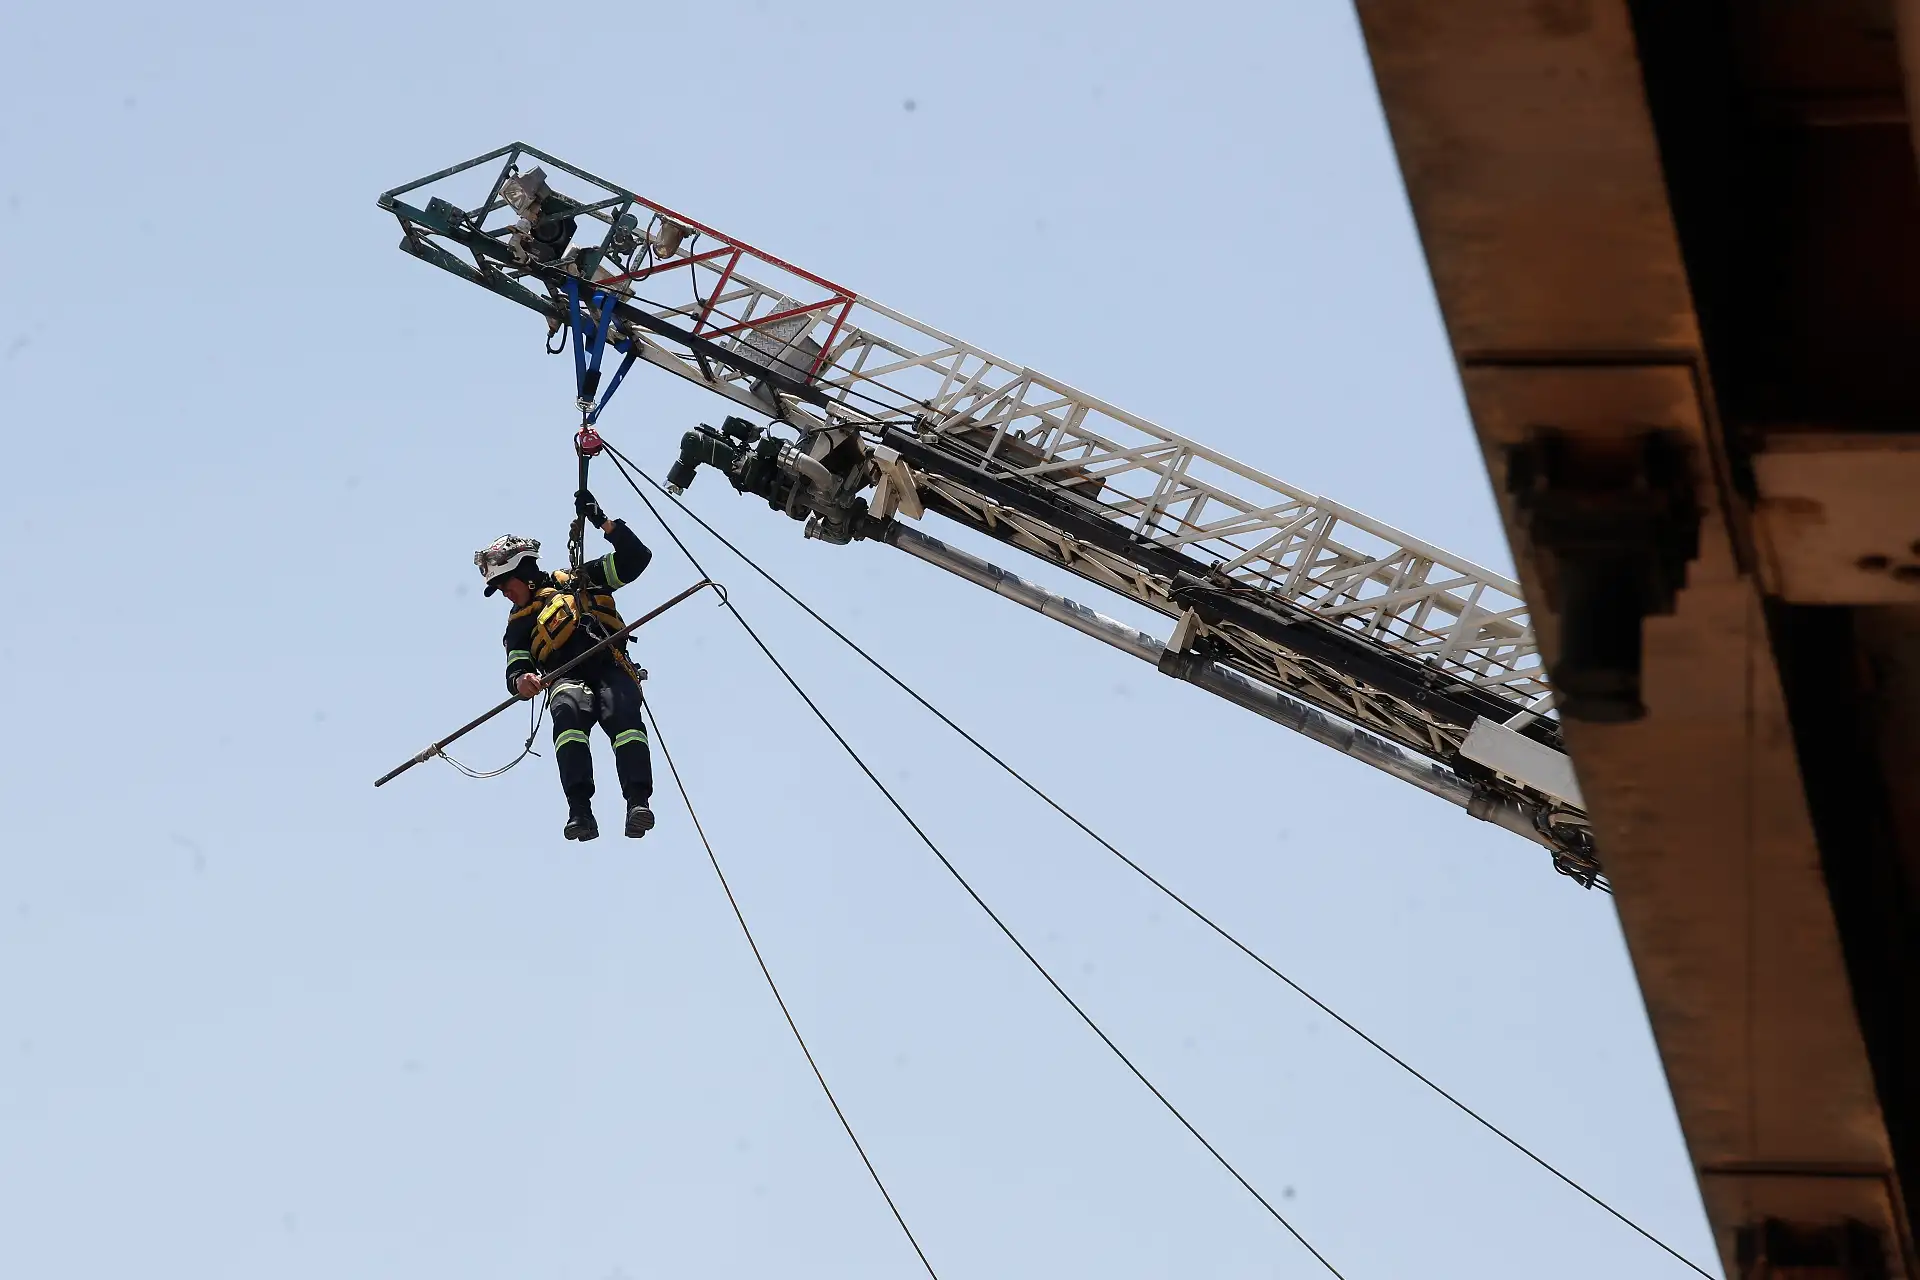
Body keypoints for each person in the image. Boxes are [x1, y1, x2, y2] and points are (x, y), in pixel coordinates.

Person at [473, 490, 656, 841]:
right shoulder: (518, 624)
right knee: (568, 715)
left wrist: (602, 520)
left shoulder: (580, 580)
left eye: (504, 584)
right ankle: (580, 812)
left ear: (524, 573)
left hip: (609, 666)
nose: (503, 594)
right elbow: (516, 666)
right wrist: (521, 681)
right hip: (566, 677)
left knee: (622, 713)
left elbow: (637, 557)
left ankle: (637, 802)